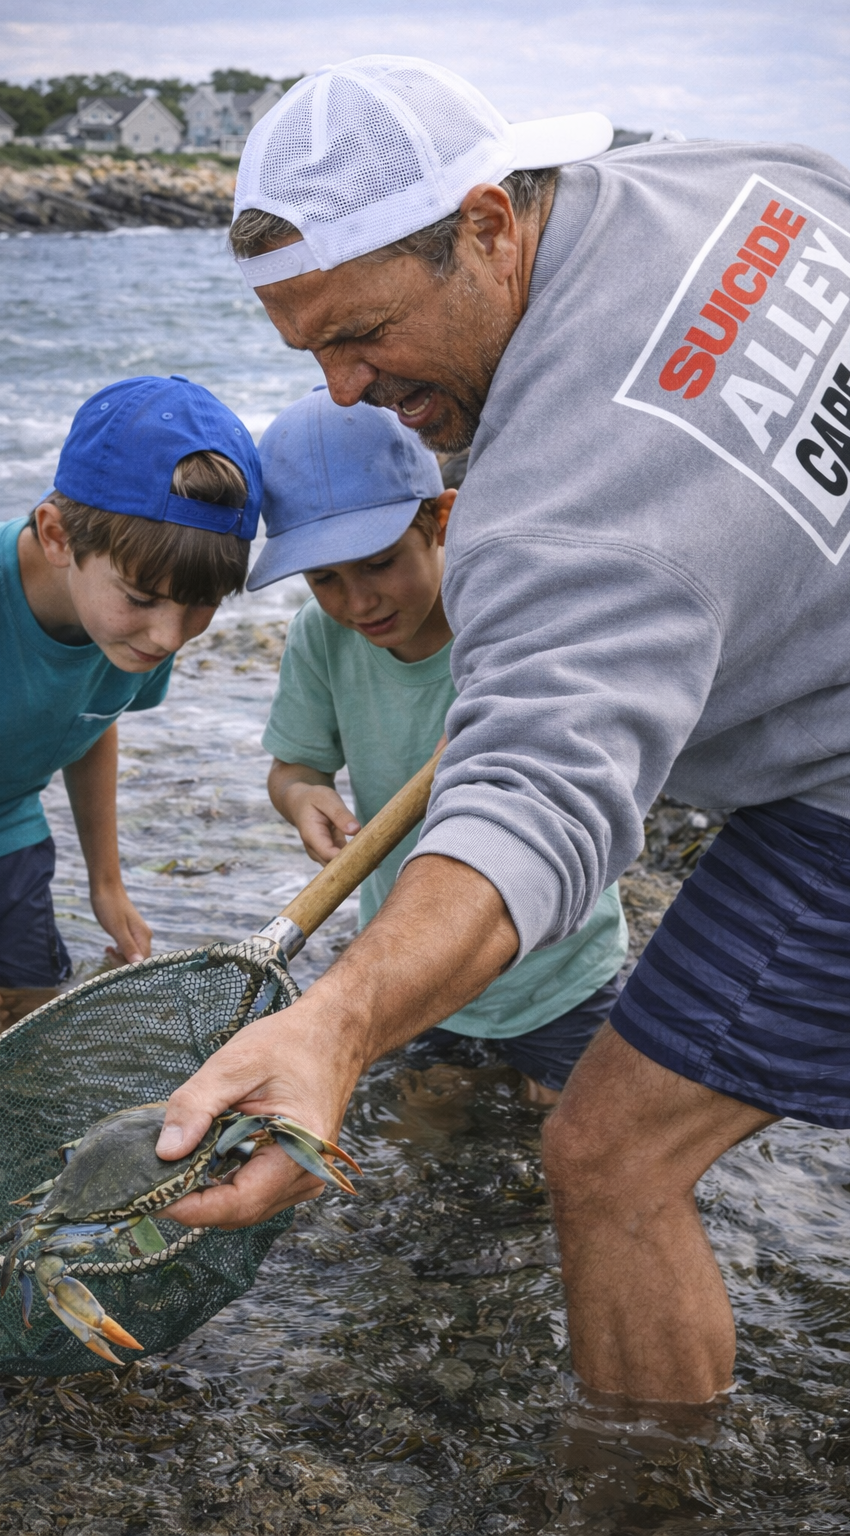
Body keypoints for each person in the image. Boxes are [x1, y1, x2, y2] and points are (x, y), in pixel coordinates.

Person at [155, 57, 850, 1405]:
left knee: (610, 1157)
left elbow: (535, 805)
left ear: (485, 223)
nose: (344, 393)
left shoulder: (550, 512)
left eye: (361, 334)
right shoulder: (740, 179)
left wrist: (339, 1028)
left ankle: (643, 1497)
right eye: (308, 355)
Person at [254, 387, 629, 1103]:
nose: (359, 601)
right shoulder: (320, 637)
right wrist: (305, 798)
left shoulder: (509, 617)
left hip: (557, 966)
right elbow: (295, 767)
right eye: (324, 578)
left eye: (380, 562)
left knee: (573, 1143)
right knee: (421, 1139)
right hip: (408, 966)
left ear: (443, 520)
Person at [0, 375, 261, 1032]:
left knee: (21, 1028)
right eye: (141, 598)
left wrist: (106, 884)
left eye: (201, 606)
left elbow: (89, 722)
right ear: (57, 537)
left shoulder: (130, 634)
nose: (168, 636)